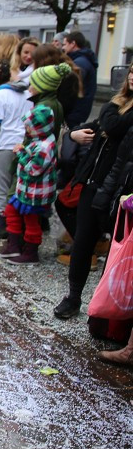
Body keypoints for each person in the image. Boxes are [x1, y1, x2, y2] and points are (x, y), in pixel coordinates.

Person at [53, 63, 133, 319]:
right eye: (132, 72)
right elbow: (90, 126)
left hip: (123, 191)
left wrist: (109, 112)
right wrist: (74, 135)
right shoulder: (117, 104)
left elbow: (113, 127)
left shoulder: (116, 109)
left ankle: (105, 304)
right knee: (83, 242)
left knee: (118, 251)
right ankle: (73, 297)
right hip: (95, 183)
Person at [0, 105, 58, 264]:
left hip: (35, 193)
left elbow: (34, 169)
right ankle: (14, 245)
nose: (26, 129)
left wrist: (20, 153)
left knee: (31, 220)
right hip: (25, 189)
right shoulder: (37, 140)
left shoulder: (45, 146)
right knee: (11, 210)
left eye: (28, 126)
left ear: (39, 128)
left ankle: (31, 253)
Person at [0, 62, 32, 239]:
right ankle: (16, 224)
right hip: (22, 143)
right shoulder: (26, 93)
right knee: (15, 186)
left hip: (3, 144)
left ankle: (0, 224)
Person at [63, 31, 97, 127]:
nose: (63, 47)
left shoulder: (80, 62)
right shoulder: (82, 59)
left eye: (65, 44)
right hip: (77, 110)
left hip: (74, 111)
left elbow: (71, 86)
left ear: (73, 44)